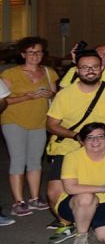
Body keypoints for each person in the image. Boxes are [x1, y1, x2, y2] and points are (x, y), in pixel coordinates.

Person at [46, 50, 105, 217]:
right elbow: (51, 125)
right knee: (54, 192)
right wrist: (76, 136)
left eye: (95, 67)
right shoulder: (65, 94)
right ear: (77, 70)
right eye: (84, 67)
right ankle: (66, 222)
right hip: (70, 146)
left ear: (102, 68)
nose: (90, 71)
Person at [2, 37, 57, 216]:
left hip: (39, 121)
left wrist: (50, 94)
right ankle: (18, 201)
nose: (35, 55)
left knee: (35, 160)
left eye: (39, 52)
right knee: (18, 160)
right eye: (31, 52)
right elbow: (4, 101)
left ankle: (34, 197)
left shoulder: (49, 73)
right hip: (14, 120)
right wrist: (28, 96)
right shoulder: (10, 74)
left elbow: (57, 98)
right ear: (23, 54)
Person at [54, 123, 105, 244]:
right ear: (82, 141)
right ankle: (81, 234)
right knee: (86, 197)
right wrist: (103, 188)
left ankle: (89, 223)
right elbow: (70, 188)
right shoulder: (72, 157)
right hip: (76, 202)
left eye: (100, 136)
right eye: (90, 137)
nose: (96, 141)